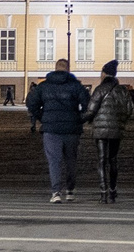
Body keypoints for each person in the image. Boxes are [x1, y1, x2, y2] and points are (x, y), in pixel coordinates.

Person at [25, 56, 91, 202]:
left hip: (51, 129)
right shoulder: (76, 86)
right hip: (72, 129)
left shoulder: (44, 86)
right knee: (71, 160)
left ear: (55, 69)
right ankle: (70, 191)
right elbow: (88, 105)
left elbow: (31, 103)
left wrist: (43, 117)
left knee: (54, 161)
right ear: (68, 69)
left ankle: (56, 192)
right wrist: (79, 119)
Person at [86, 60, 134, 202]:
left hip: (100, 131)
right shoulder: (122, 90)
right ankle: (113, 191)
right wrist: (120, 121)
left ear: (104, 73)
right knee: (113, 160)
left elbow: (90, 111)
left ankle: (103, 193)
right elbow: (129, 111)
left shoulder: (100, 89)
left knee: (102, 160)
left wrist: (81, 119)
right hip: (116, 131)